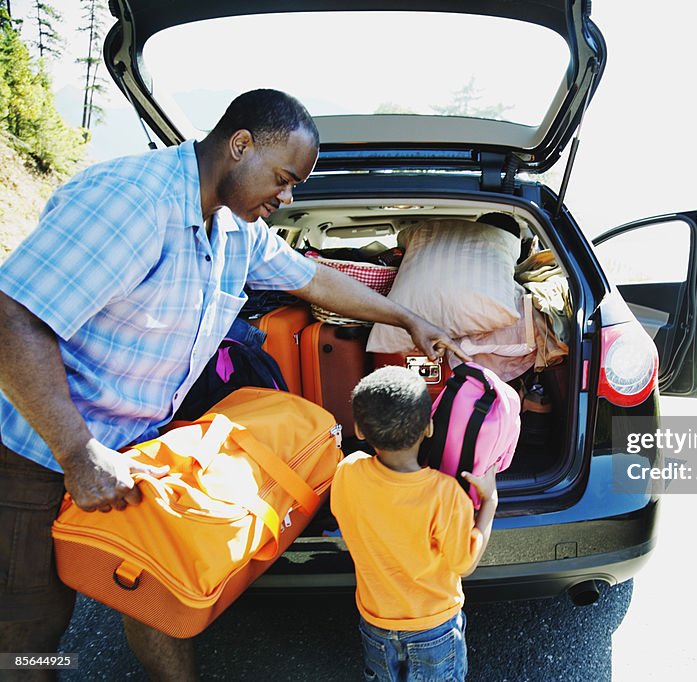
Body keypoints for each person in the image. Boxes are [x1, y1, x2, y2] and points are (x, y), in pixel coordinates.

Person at [0, 88, 468, 681]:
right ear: (239, 145)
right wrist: (77, 451)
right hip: (36, 448)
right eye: (283, 178)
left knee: (160, 586)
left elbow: (312, 279)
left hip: (138, 445)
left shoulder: (232, 228)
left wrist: (407, 318)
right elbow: (13, 315)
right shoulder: (132, 201)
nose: (287, 197)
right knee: (30, 623)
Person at [330, 366, 497, 682]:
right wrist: (490, 503)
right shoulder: (444, 494)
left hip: (376, 624)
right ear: (429, 427)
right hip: (434, 628)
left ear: (360, 430)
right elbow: (465, 564)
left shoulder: (348, 472)